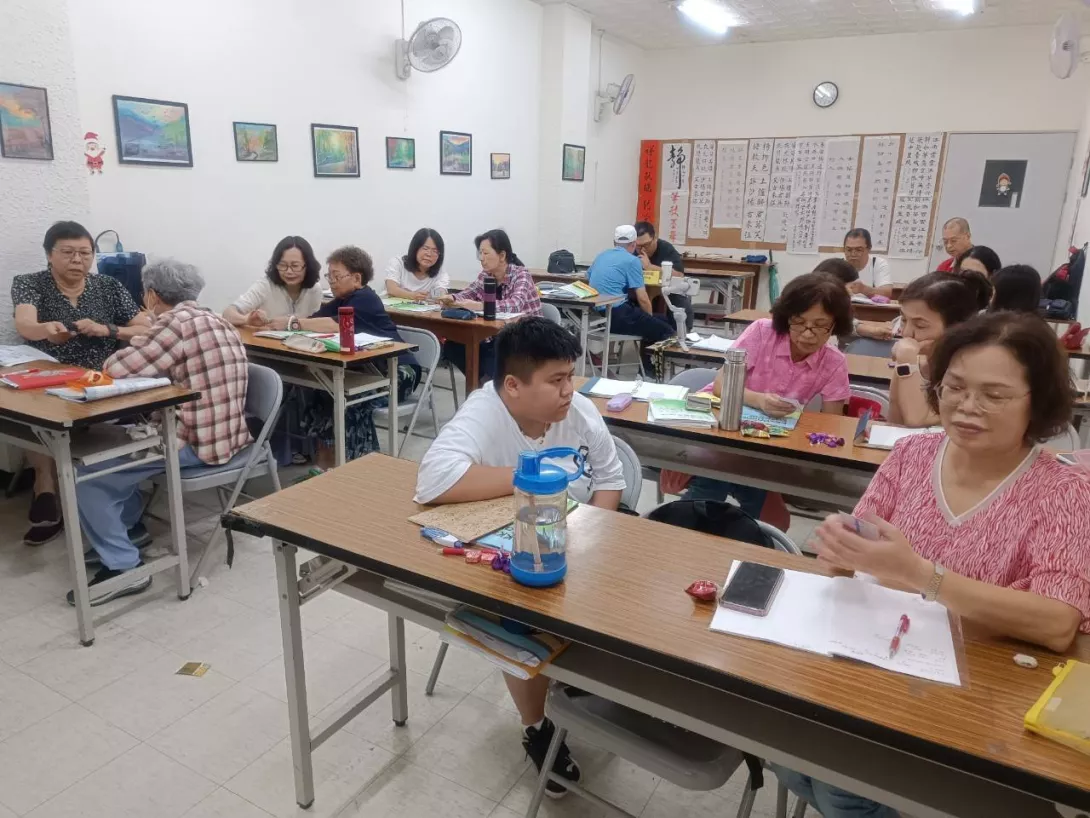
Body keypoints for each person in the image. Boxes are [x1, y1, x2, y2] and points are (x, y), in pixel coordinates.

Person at [775, 313, 1090, 817]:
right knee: (788, 748)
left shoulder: (1064, 492)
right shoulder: (913, 454)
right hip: (878, 665)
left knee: (844, 786)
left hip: (977, 702)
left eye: (994, 395)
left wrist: (922, 575)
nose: (967, 406)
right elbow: (857, 547)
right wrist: (840, 546)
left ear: (1039, 402)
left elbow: (1057, 622)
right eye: (955, 387)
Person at [415, 317, 626, 799]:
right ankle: (536, 726)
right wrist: (530, 477)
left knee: (614, 598)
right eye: (556, 380)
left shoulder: (579, 411)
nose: (569, 390)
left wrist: (591, 536)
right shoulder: (484, 412)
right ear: (513, 385)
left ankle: (579, 679)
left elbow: (611, 479)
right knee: (519, 614)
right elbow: (432, 482)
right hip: (515, 546)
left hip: (579, 534)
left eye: (570, 376)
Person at [73, 259, 251, 605]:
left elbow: (116, 368)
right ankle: (128, 532)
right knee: (118, 454)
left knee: (89, 474)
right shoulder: (216, 318)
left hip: (195, 443)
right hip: (228, 436)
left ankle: (124, 567)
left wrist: (143, 334)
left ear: (152, 296)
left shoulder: (175, 324)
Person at [664, 273, 852, 524]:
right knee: (713, 487)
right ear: (786, 317)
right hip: (719, 429)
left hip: (763, 447)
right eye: (799, 322)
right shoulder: (763, 332)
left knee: (774, 520)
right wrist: (759, 401)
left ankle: (734, 534)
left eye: (820, 325)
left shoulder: (834, 362)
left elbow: (831, 424)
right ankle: (687, 531)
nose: (808, 334)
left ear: (835, 325)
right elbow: (721, 386)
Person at [11, 220, 151, 546]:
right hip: (48, 377)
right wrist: (47, 331)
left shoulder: (108, 287)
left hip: (98, 377)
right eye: (68, 252)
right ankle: (45, 486)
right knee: (36, 411)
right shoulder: (30, 283)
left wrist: (108, 330)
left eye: (85, 253)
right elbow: (25, 324)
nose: (77, 260)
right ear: (50, 255)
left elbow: (145, 327)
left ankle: (101, 492)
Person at [297, 246, 420, 466]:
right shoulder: (343, 299)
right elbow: (314, 320)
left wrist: (294, 323)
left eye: (336, 276)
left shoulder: (365, 299)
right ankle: (325, 465)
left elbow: (335, 324)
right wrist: (288, 323)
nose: (331, 282)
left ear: (356, 278)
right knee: (323, 393)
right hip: (371, 371)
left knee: (350, 401)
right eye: (329, 276)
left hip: (399, 372)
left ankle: (363, 465)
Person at [440, 229, 541, 385]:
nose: (481, 258)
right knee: (454, 346)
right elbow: (469, 292)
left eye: (486, 253)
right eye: (480, 253)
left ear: (502, 255)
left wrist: (479, 305)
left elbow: (515, 305)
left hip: (524, 339)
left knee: (492, 355)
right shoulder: (486, 275)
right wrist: (452, 298)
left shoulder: (521, 274)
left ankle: (492, 387)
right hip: (496, 336)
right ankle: (485, 384)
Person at [887, 272, 988, 427]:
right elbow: (895, 423)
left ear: (955, 328)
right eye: (904, 320)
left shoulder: (970, 372)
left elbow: (917, 420)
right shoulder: (913, 360)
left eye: (920, 325)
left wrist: (906, 362)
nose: (906, 333)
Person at [587, 225, 676, 370]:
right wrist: (649, 320)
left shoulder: (601, 255)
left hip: (598, 316)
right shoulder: (632, 260)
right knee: (667, 331)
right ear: (634, 244)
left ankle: (646, 370)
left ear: (614, 242)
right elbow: (643, 298)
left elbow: (589, 277)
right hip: (618, 315)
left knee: (662, 320)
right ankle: (651, 373)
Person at [223, 236, 324, 329]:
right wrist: (246, 319)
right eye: (282, 265)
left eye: (295, 266)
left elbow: (315, 324)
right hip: (265, 342)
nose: (288, 271)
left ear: (308, 266)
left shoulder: (315, 290)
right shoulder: (265, 285)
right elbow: (228, 313)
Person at [634, 221, 693, 331]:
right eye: (638, 246)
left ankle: (682, 332)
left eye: (646, 245)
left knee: (679, 300)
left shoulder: (666, 248)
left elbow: (679, 275)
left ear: (655, 238)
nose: (642, 250)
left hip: (665, 289)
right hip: (639, 290)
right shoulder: (632, 250)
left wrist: (650, 267)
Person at [383, 228, 449, 300]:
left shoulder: (440, 272)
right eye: (425, 248)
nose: (429, 254)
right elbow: (392, 289)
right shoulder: (398, 263)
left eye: (435, 251)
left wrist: (441, 297)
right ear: (415, 248)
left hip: (424, 307)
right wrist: (412, 295)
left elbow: (441, 293)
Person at [841, 228, 892, 297]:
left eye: (859, 250)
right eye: (849, 250)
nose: (853, 254)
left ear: (869, 249)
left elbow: (887, 293)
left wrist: (863, 289)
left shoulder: (878, 264)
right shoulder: (837, 265)